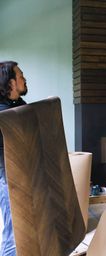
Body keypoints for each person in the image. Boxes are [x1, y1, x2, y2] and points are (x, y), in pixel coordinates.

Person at [0, 61, 28, 256]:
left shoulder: (19, 105)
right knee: (14, 231)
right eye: (20, 76)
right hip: (7, 177)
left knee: (24, 228)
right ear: (10, 83)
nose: (24, 79)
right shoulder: (3, 112)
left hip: (22, 174)